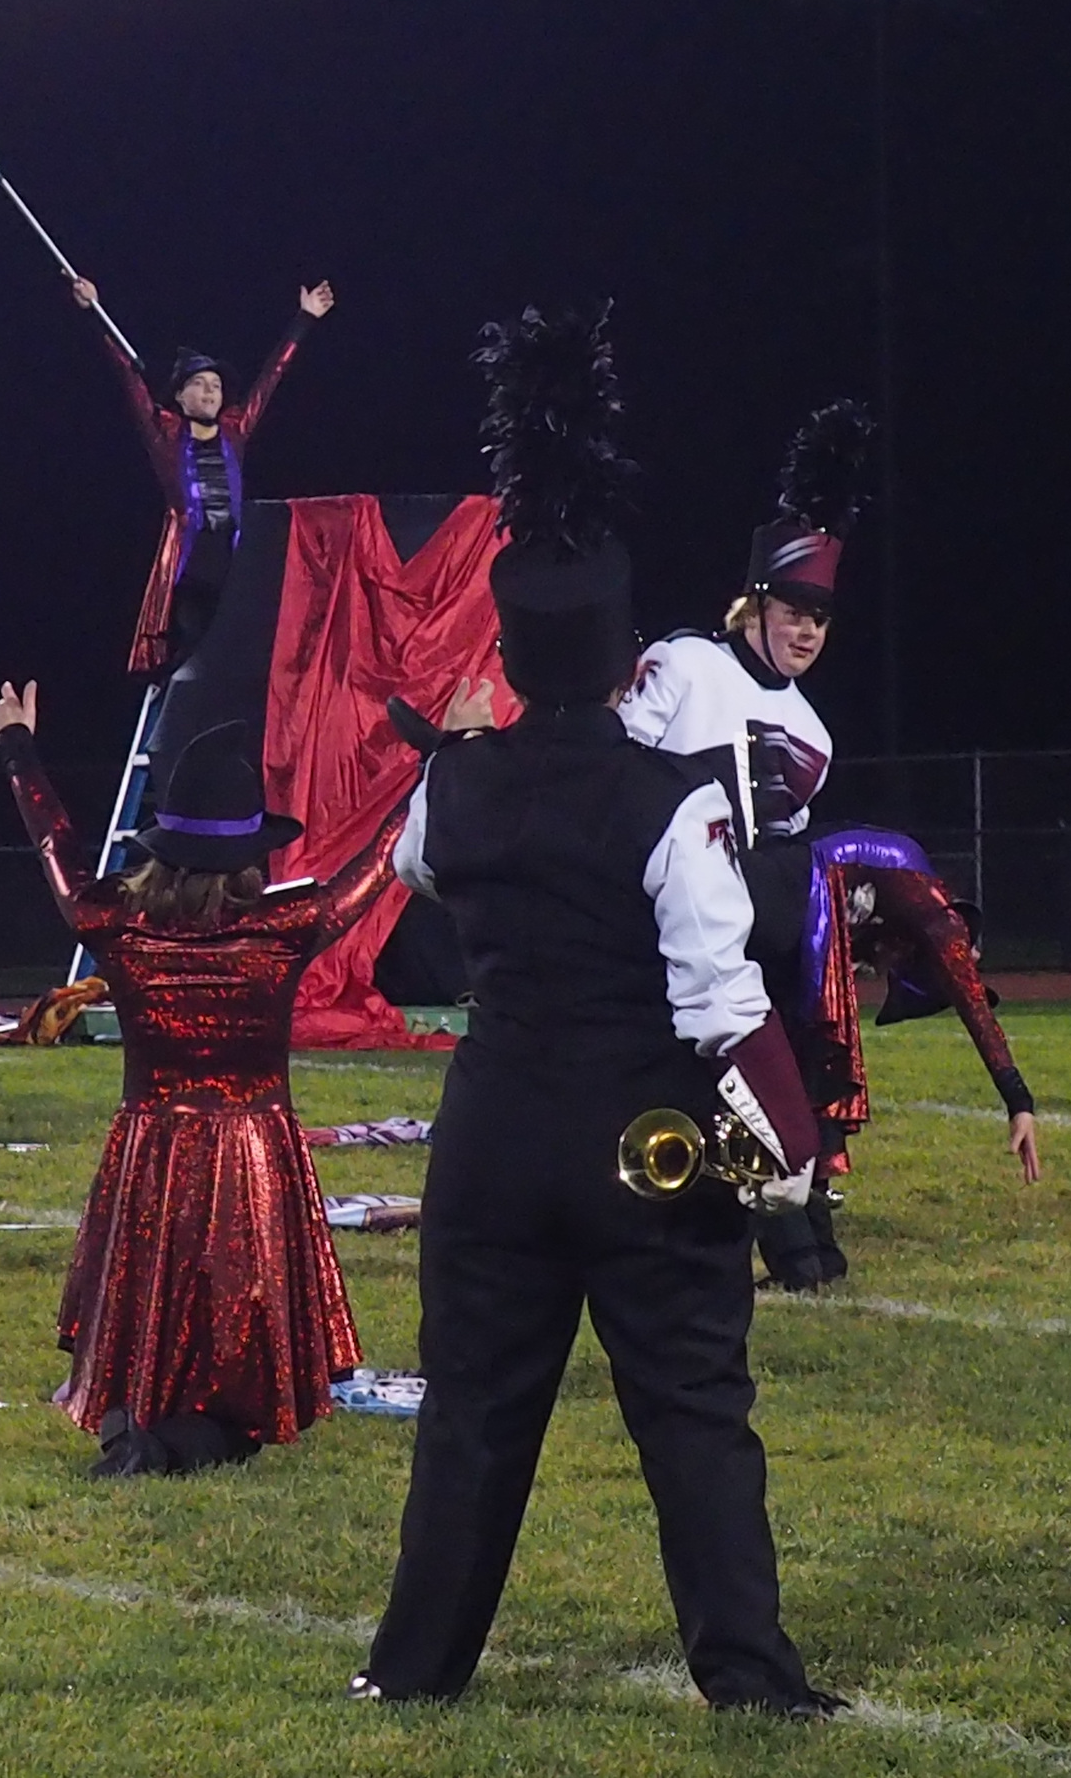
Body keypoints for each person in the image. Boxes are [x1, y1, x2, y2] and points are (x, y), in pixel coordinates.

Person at [350, 306, 838, 1715]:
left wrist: (464, 745)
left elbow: (416, 868)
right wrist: (782, 1181)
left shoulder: (453, 783)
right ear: (630, 661)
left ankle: (413, 1668)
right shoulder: (669, 794)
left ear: (503, 654)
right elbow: (721, 1008)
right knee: (691, 1413)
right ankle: (746, 1675)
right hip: (642, 1136)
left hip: (489, 1132)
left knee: (471, 1421)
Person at [618, 402, 1040, 1290]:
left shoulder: (812, 729)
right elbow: (618, 775)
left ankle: (801, 1247)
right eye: (795, 609)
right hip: (666, 919)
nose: (808, 630)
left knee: (786, 1073)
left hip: (759, 927)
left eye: (822, 616)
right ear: (756, 600)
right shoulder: (684, 663)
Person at [0, 686, 398, 1476]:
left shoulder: (118, 924)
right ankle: (202, 1432)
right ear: (250, 853)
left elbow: (59, 854)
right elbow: (376, 866)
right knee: (242, 1297)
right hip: (254, 1149)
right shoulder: (282, 930)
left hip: (151, 1145)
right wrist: (450, 755)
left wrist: (19, 754)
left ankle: (150, 1422)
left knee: (154, 1288)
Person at [70, 273, 333, 676]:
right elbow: (128, 377)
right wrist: (94, 313)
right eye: (199, 384)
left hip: (234, 563)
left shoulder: (235, 428)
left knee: (242, 656)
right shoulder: (165, 433)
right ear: (179, 395)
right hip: (189, 570)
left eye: (216, 385)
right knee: (193, 659)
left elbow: (272, 377)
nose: (211, 392)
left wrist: (304, 319)